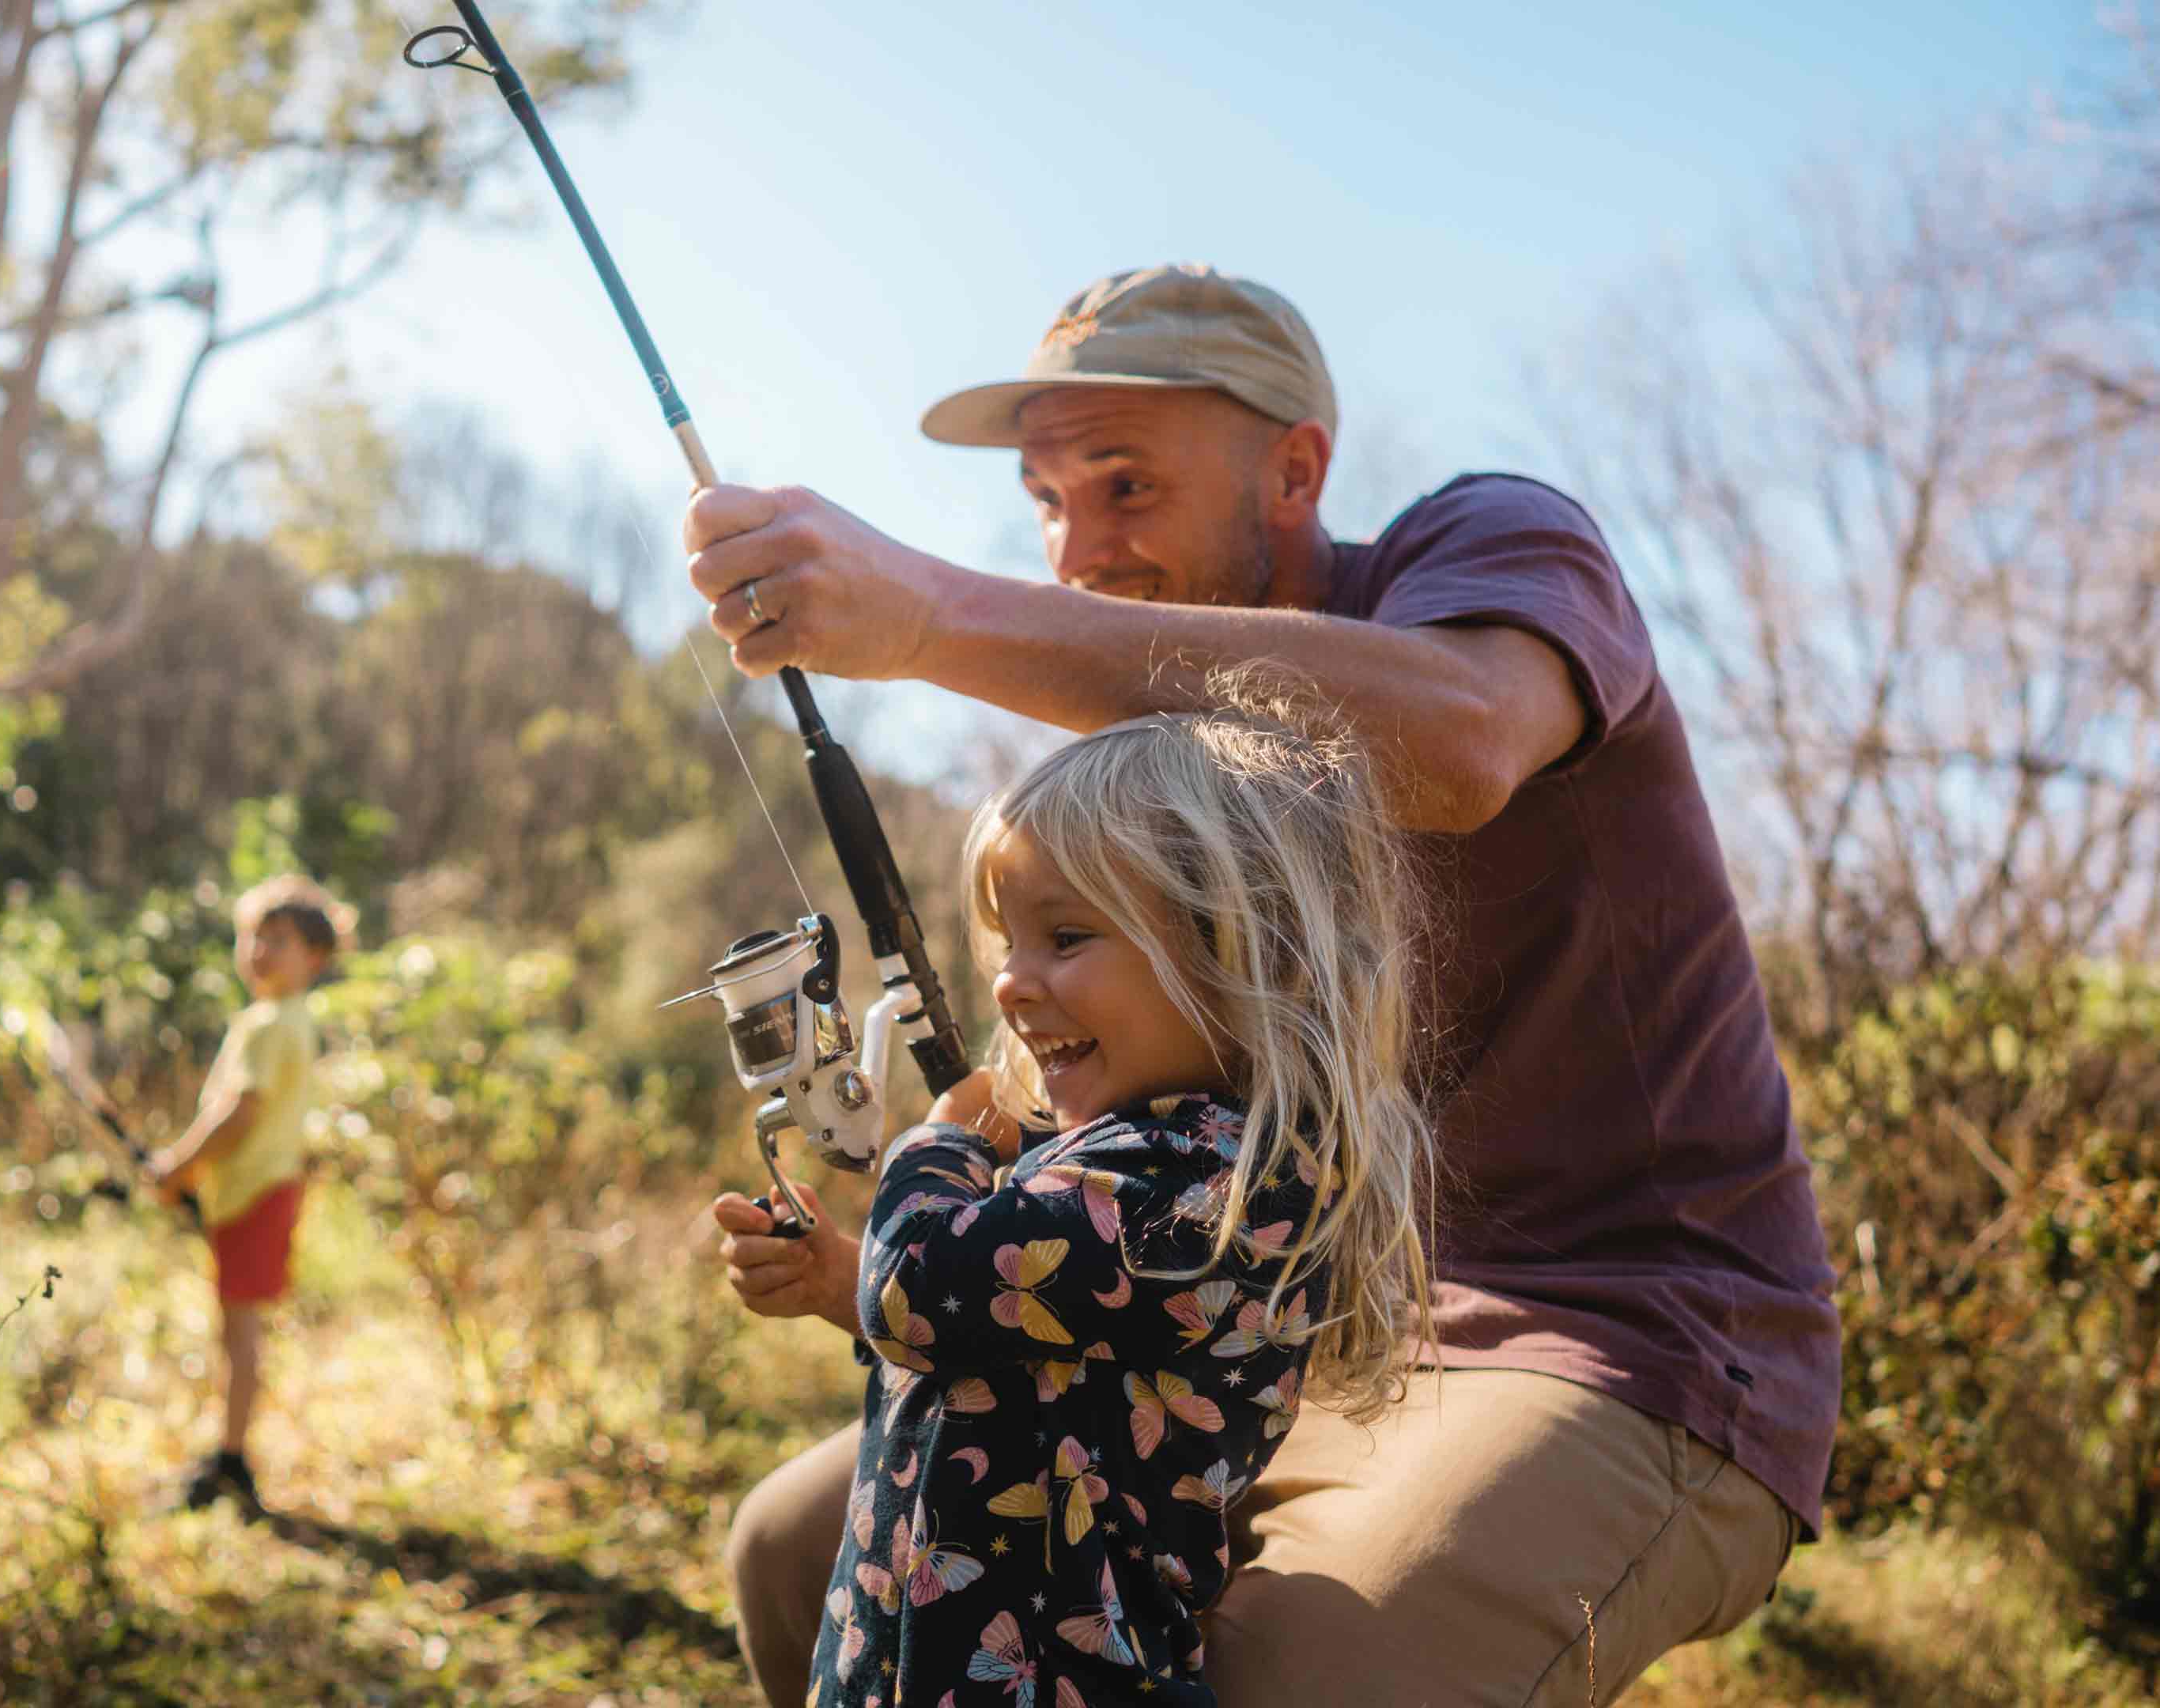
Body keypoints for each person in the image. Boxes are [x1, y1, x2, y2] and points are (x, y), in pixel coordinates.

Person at [693, 265, 1838, 1705]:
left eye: (1125, 485)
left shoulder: (1495, 547)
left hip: (1619, 1340)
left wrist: (926, 616)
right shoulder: (1154, 768)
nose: (1077, 551)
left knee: (1306, 1672)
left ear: (1295, 469)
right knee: (798, 1545)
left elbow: (1464, 740)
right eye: (1047, 502)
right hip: (1261, 1319)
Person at [807, 700, 1436, 1707]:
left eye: (1065, 936)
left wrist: (940, 1138)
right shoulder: (1110, 1160)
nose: (1012, 984)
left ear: (1239, 952)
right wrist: (837, 1282)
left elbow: (919, 1289)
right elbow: (970, 1347)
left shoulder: (1206, 1187)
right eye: (1008, 942)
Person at [149, 873, 351, 1517]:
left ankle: (232, 1459)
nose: (261, 951)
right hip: (256, 1192)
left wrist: (180, 1166)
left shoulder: (270, 1025)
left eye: (280, 940)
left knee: (239, 1332)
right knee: (238, 1327)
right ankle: (230, 1449)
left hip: (257, 1194)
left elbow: (239, 1114)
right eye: (253, 937)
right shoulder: (285, 1019)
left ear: (314, 957)